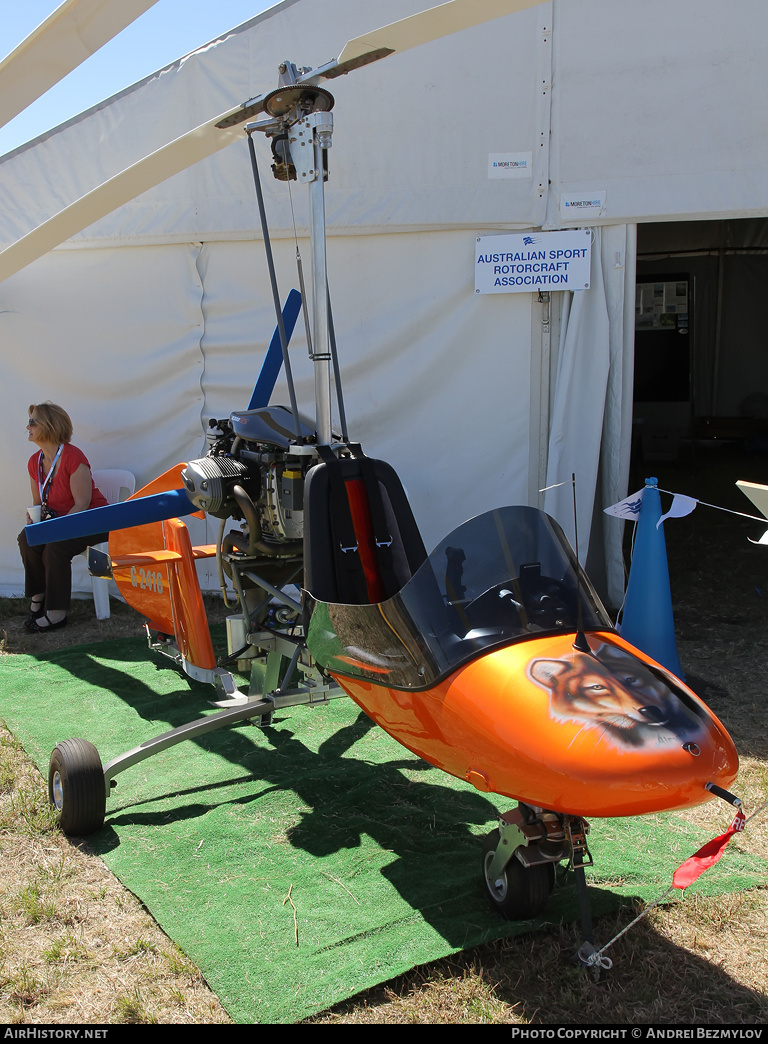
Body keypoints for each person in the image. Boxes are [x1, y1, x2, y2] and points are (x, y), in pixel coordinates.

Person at [18, 402, 109, 633]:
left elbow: (82, 504)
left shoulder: (73, 456)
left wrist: (54, 530)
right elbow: (38, 502)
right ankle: (39, 596)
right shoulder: (34, 462)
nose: (27, 426)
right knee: (26, 538)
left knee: (54, 546)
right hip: (62, 521)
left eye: (32, 422)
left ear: (48, 426)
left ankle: (57, 613)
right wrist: (34, 520)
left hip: (91, 520)